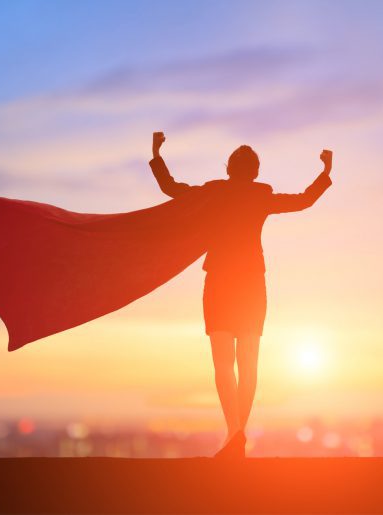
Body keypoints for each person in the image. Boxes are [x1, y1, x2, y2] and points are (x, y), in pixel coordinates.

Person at [149, 132, 333, 458]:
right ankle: (237, 435)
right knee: (248, 363)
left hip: (220, 281)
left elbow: (171, 188)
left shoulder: (214, 192)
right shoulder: (262, 195)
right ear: (256, 172)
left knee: (223, 363)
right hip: (251, 284)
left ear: (228, 168)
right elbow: (304, 199)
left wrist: (156, 154)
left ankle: (234, 434)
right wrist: (325, 172)